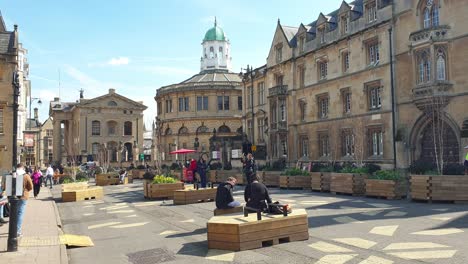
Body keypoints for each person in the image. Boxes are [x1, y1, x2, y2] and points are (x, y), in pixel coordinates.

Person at [16, 163, 33, 237]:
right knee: (20, 213)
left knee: (14, 213)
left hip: (13, 197)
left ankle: (13, 229)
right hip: (23, 196)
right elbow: (31, 186)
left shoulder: (13, 174)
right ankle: (18, 231)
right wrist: (26, 190)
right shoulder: (26, 176)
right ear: (23, 168)